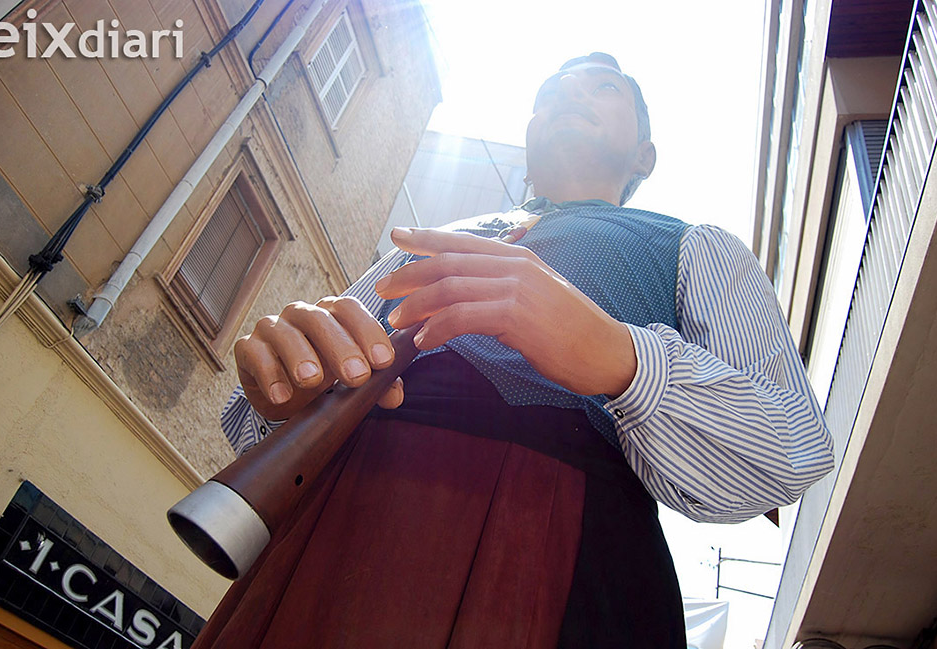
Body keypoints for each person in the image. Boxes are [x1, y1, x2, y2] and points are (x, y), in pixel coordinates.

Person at [199, 52, 834, 648]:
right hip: (341, 522)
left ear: (645, 156)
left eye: (601, 87)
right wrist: (286, 382)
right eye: (550, 91)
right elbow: (253, 422)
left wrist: (624, 360)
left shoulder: (699, 247)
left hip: (566, 535)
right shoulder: (424, 244)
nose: (567, 94)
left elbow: (793, 446)